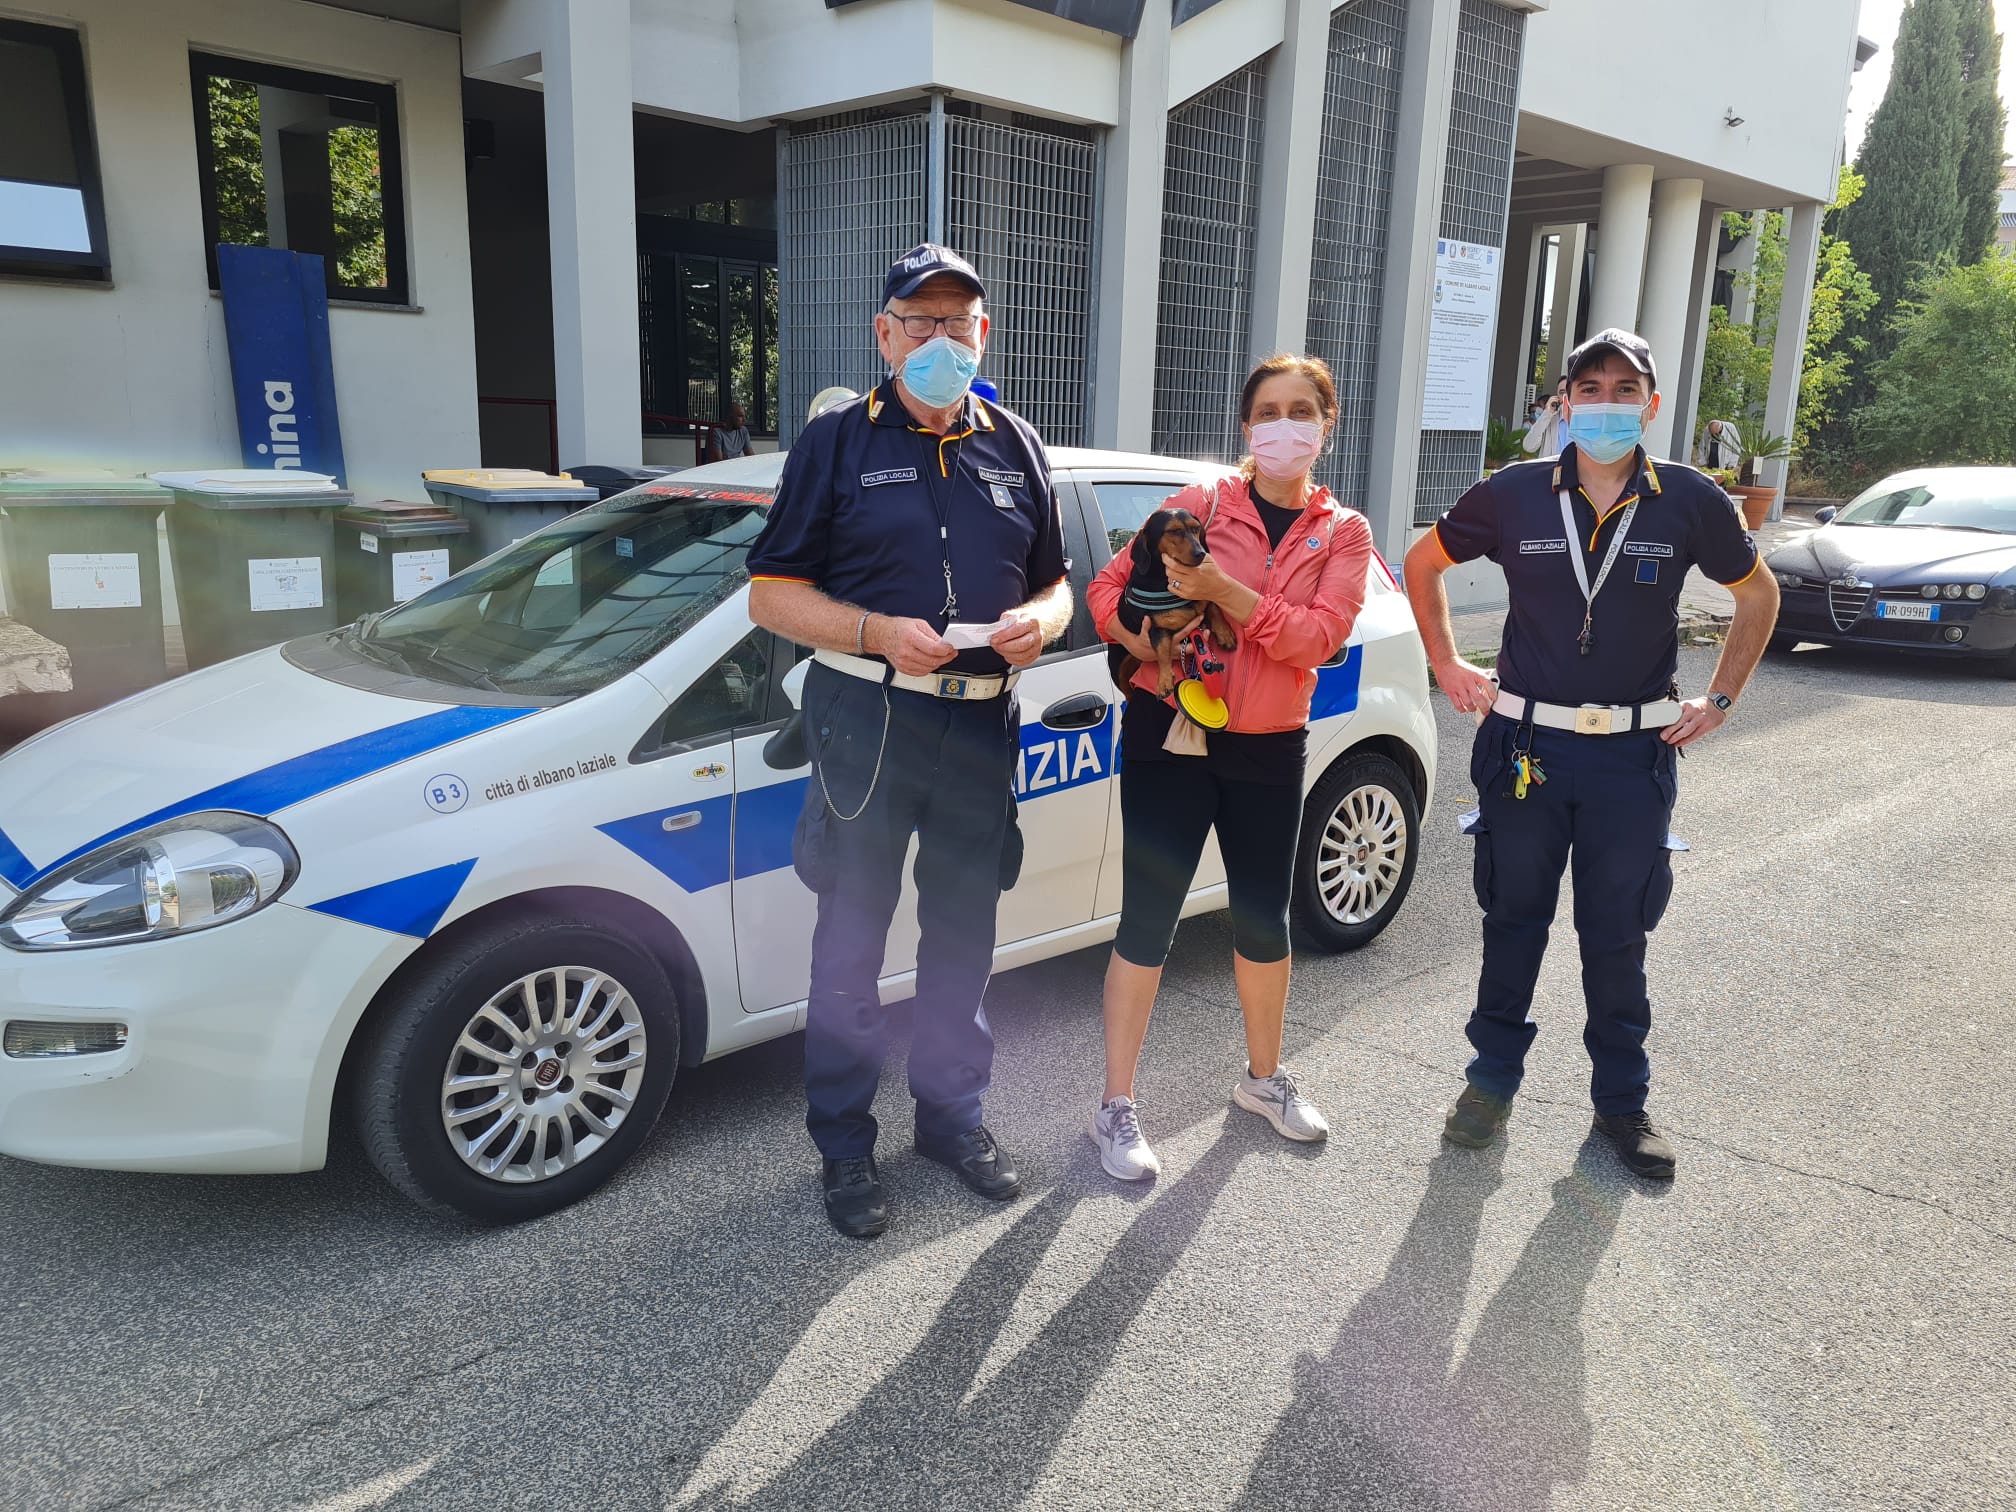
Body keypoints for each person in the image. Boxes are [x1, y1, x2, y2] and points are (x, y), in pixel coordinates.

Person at [746, 244, 1074, 1238]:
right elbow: (771, 593)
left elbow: (1055, 582)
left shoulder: (1014, 445)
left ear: (987, 333)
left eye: (958, 322)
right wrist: (875, 632)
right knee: (850, 941)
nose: (940, 339)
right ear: (884, 335)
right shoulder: (837, 445)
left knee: (964, 936)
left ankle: (951, 1120)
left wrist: (1047, 625)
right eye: (919, 322)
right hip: (869, 721)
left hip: (980, 721)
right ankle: (844, 1147)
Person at [1402, 328, 1780, 1180]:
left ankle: (1622, 1104)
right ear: (1564, 403)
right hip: (1525, 747)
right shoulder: (1513, 493)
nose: (1605, 402)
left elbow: (1758, 593)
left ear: (1650, 405)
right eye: (1589, 386)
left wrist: (1721, 699)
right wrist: (1446, 662)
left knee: (1617, 936)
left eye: (1624, 388)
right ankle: (1489, 1083)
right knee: (1513, 923)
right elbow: (1421, 563)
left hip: (1631, 759)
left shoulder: (1688, 499)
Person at [1083, 353, 1373, 1182]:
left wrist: (1224, 593)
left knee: (1262, 919)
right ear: (1248, 427)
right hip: (1168, 731)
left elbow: (1320, 638)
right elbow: (1108, 589)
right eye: (1268, 411)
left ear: (1326, 423)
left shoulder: (1341, 532)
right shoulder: (1201, 504)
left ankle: (1263, 1082)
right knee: (1149, 917)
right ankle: (1115, 1107)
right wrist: (1144, 642)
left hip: (1267, 743)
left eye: (1301, 411)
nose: (1284, 426)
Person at [1523, 377, 1568, 457]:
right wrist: (1546, 414)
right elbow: (1528, 447)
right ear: (1557, 397)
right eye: (1562, 393)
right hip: (1552, 468)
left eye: (1570, 392)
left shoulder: (1586, 420)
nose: (1566, 396)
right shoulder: (1549, 419)